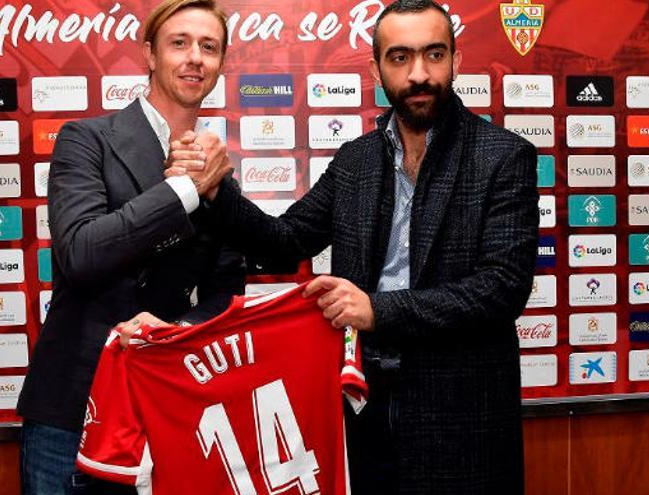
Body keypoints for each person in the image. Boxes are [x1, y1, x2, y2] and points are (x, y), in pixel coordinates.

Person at [159, 0, 539, 492]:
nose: (419, 74)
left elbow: (501, 289)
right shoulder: (356, 159)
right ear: (376, 68)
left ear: (456, 61)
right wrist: (216, 190)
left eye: (434, 55)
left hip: (463, 416)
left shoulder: (504, 156)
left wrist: (376, 310)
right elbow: (285, 242)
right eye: (400, 58)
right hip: (362, 408)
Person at [16, 0, 244, 493]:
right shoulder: (86, 139)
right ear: (150, 55)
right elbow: (81, 254)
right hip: (73, 408)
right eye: (178, 43)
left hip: (168, 404)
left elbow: (226, 293)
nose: (194, 58)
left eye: (209, 47)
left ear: (222, 64)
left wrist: (175, 331)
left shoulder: (219, 172)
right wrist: (182, 192)